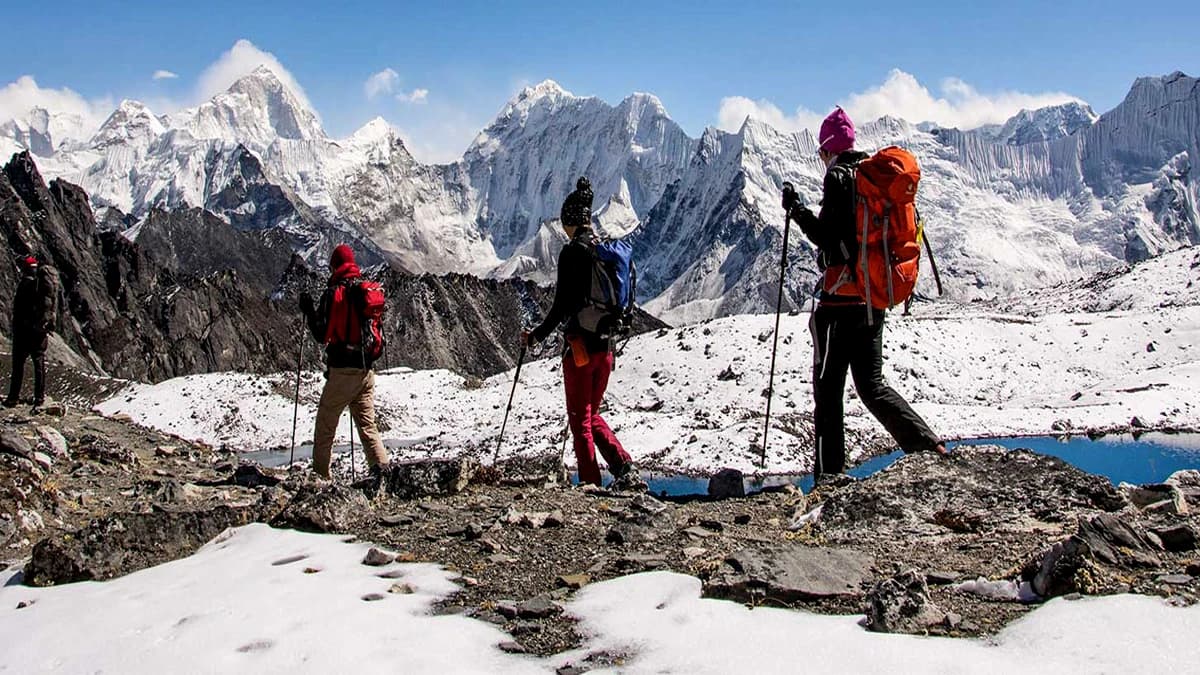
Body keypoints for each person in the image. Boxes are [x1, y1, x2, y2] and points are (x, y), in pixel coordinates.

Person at [782, 108, 946, 485]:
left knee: (828, 396)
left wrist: (797, 210)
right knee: (872, 385)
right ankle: (927, 446)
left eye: (821, 152)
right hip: (872, 301)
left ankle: (829, 479)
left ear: (827, 150)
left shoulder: (838, 178)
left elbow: (830, 243)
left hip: (837, 307)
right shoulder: (872, 178)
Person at [523, 178, 645, 490]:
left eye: (564, 223)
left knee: (580, 421)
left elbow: (561, 306)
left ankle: (590, 484)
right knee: (592, 414)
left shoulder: (572, 253)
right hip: (605, 350)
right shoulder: (602, 250)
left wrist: (535, 336)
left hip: (579, 351)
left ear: (570, 222)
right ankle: (623, 464)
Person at [299, 244, 389, 480]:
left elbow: (321, 334)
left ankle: (320, 476)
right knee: (368, 428)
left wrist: (308, 311)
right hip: (366, 371)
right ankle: (384, 474)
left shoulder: (335, 293)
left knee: (326, 425)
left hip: (343, 371)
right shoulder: (363, 290)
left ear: (335, 266)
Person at [5, 255, 56, 412]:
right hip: (39, 332)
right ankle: (39, 398)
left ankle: (13, 398)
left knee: (18, 366)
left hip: (23, 332)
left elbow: (19, 310)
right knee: (39, 364)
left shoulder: (25, 284)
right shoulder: (42, 286)